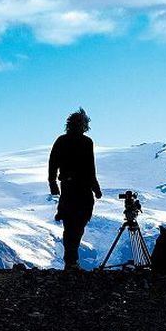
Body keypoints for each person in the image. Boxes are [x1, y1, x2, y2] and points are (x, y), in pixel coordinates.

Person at [48, 108, 102, 270]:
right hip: (82, 188)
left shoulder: (61, 141)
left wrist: (53, 183)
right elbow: (90, 168)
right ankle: (72, 260)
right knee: (78, 223)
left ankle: (70, 260)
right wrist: (96, 188)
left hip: (68, 187)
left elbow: (53, 163)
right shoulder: (86, 143)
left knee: (70, 224)